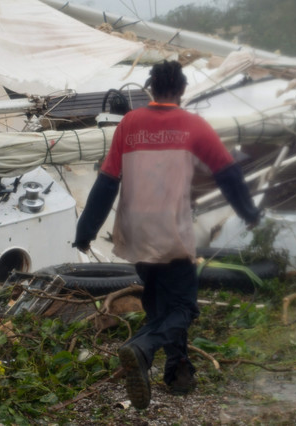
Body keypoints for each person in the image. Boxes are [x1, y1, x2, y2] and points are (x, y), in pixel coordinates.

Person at [73, 60, 261, 409]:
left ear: (151, 89)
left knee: (160, 304)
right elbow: (228, 174)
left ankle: (177, 372)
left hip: (136, 232)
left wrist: (85, 232)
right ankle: (142, 350)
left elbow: (107, 181)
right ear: (182, 90)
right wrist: (249, 213)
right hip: (172, 231)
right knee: (184, 308)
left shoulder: (129, 124)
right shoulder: (193, 125)